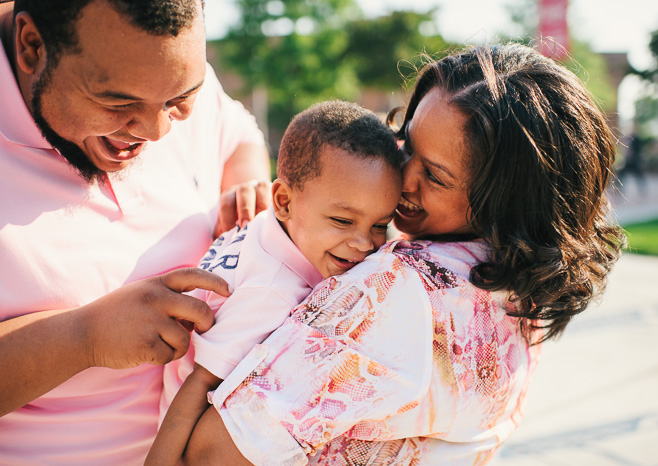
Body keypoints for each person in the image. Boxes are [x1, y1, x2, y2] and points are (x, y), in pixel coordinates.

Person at [179, 43, 625, 465]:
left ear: (503, 202)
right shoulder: (524, 282)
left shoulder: (396, 288)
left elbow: (215, 453)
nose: (401, 178)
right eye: (407, 145)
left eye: (433, 175)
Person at [0, 0, 271, 464]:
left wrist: (247, 190)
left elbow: (237, 132)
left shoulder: (159, 65)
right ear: (32, 47)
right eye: (118, 104)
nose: (157, 129)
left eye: (180, 101)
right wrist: (84, 336)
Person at [146, 100, 403, 465]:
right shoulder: (274, 291)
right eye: (343, 221)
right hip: (193, 439)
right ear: (283, 200)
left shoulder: (262, 229)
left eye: (380, 224)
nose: (365, 243)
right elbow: (199, 384)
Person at [617, 121, 646, 195]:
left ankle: (642, 189)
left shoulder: (637, 139)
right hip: (629, 160)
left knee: (638, 175)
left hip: (635, 160)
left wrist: (634, 155)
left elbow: (638, 150)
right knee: (622, 174)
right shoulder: (629, 138)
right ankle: (618, 189)